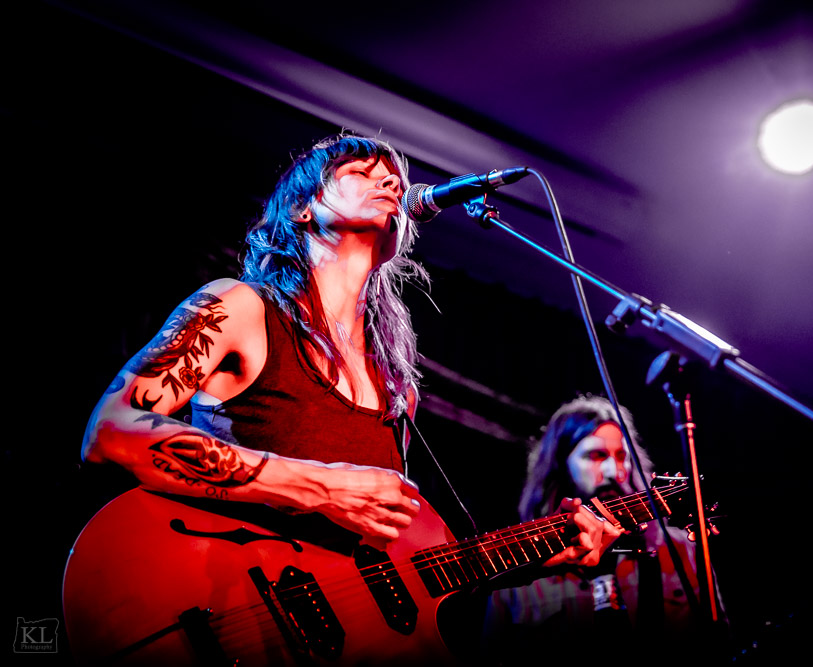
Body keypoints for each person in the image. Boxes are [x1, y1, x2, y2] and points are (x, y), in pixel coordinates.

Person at [78, 133, 616, 662]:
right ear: (303, 209)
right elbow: (111, 432)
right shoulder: (241, 308)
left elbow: (389, 576)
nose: (390, 182)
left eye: (395, 179)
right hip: (215, 603)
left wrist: (538, 554)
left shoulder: (397, 386)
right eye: (360, 172)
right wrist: (320, 486)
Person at [483, 395, 725, 665]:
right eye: (596, 455)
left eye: (622, 456)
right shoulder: (516, 567)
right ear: (561, 464)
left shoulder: (679, 550)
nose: (614, 471)